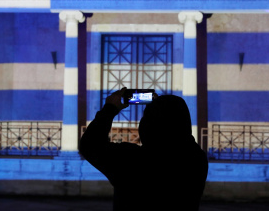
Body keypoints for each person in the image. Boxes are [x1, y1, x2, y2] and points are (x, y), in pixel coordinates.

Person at [80, 87, 209, 211]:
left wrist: (109, 109)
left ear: (148, 126)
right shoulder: (197, 159)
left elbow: (89, 145)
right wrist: (162, 107)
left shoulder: (131, 161)